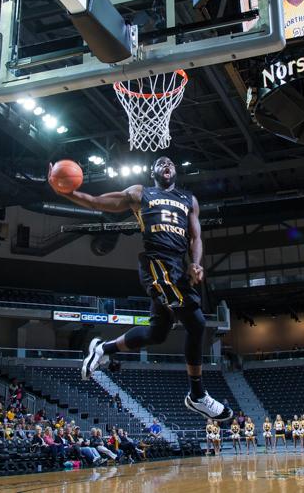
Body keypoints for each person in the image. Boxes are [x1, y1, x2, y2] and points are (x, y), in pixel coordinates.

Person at [56, 157, 232, 421]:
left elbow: (196, 237)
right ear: (154, 172)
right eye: (161, 163)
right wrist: (69, 192)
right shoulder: (141, 193)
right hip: (157, 265)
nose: (167, 165)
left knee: (157, 333)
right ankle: (197, 395)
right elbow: (97, 202)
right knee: (196, 323)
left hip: (178, 267)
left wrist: (196, 264)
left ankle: (104, 348)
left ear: (176, 171)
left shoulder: (189, 200)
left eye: (171, 163)